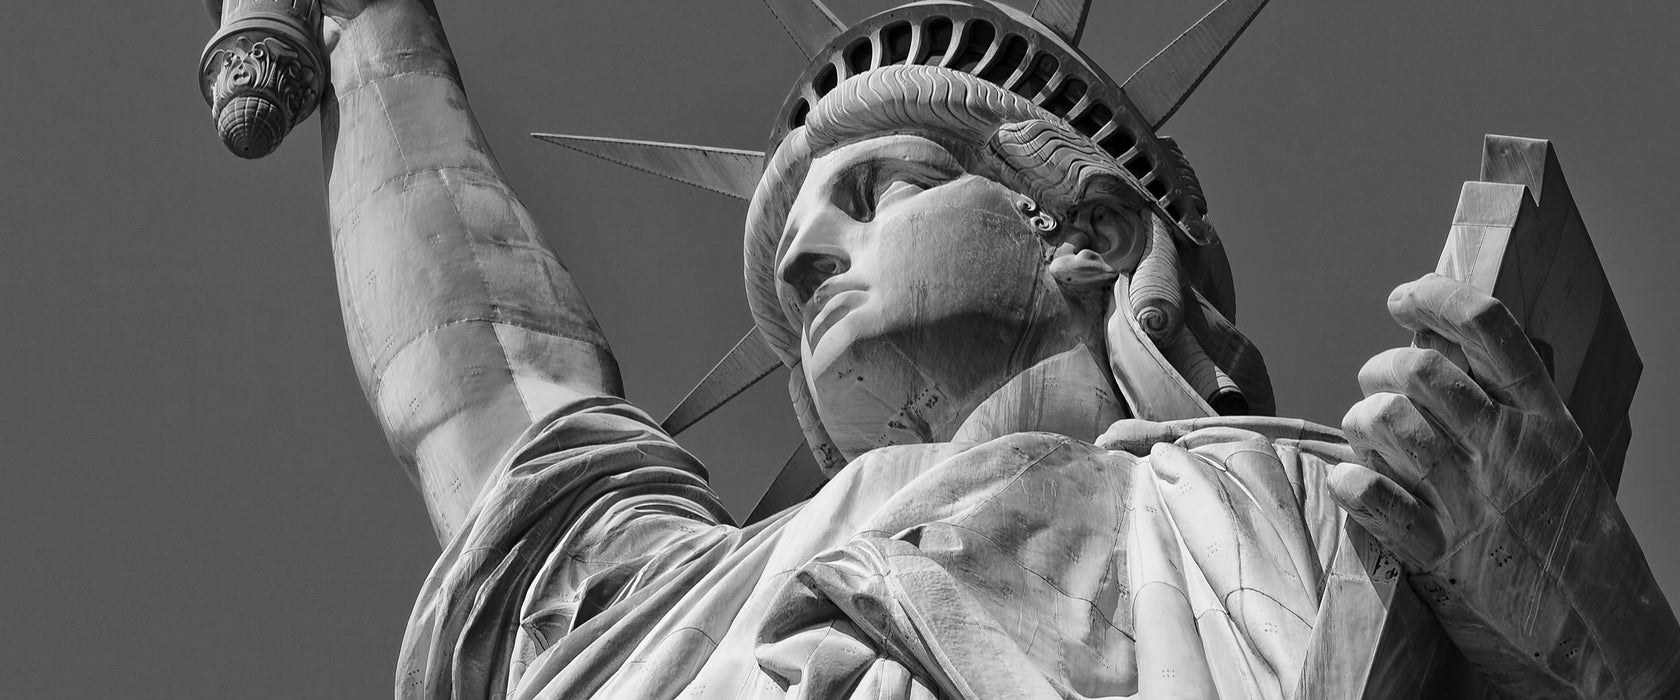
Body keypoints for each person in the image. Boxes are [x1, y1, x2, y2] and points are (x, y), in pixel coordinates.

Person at [300, 1, 1679, 697]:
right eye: (795, 242)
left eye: (873, 187)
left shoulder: (1325, 513)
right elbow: (488, 380)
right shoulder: (675, 600)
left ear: (1081, 223)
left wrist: (1566, 594)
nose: (800, 258)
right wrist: (370, 35)